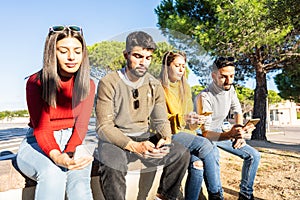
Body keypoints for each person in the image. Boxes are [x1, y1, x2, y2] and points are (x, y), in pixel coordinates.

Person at [95, 31, 190, 200]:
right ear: (126, 55)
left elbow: (160, 120)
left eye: (148, 58)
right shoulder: (108, 82)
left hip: (144, 136)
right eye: (138, 56)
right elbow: (104, 127)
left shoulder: (154, 84)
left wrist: (165, 139)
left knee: (180, 153)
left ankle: (163, 196)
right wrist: (133, 146)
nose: (143, 62)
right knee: (113, 165)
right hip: (115, 140)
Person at [16, 25, 95, 200]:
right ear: (52, 53)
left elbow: (81, 126)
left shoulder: (88, 84)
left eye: (77, 50)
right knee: (53, 174)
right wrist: (58, 156)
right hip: (37, 143)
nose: (71, 57)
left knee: (80, 184)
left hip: (74, 142)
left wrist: (70, 151)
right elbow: (42, 128)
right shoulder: (36, 82)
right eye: (63, 51)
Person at [194, 56, 261, 200]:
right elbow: (206, 133)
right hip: (202, 135)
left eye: (232, 76)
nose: (229, 80)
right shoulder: (204, 97)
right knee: (214, 158)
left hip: (220, 131)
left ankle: (245, 195)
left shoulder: (230, 89)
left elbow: (237, 111)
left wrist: (239, 133)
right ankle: (216, 196)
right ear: (213, 76)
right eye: (223, 77)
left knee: (254, 155)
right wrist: (231, 135)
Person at [159, 50, 223, 200]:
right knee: (206, 144)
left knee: (197, 164)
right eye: (177, 65)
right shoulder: (159, 87)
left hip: (185, 134)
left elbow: (189, 122)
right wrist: (184, 119)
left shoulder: (185, 88)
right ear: (167, 66)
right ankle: (216, 195)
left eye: (183, 66)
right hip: (168, 134)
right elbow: (158, 120)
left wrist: (195, 121)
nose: (182, 69)